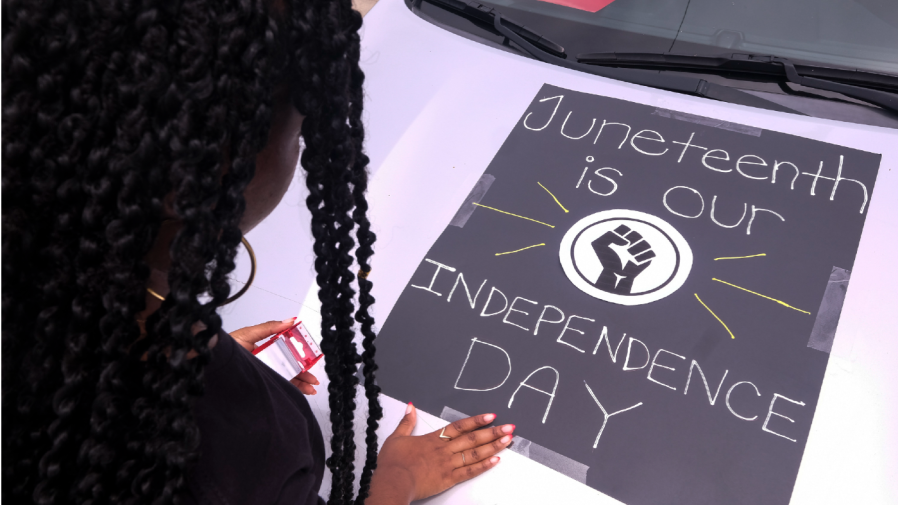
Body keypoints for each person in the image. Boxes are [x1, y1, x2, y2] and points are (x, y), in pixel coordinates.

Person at [0, 1, 515, 503]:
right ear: (198, 177)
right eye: (295, 133)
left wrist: (191, 355)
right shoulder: (243, 453)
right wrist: (397, 481)